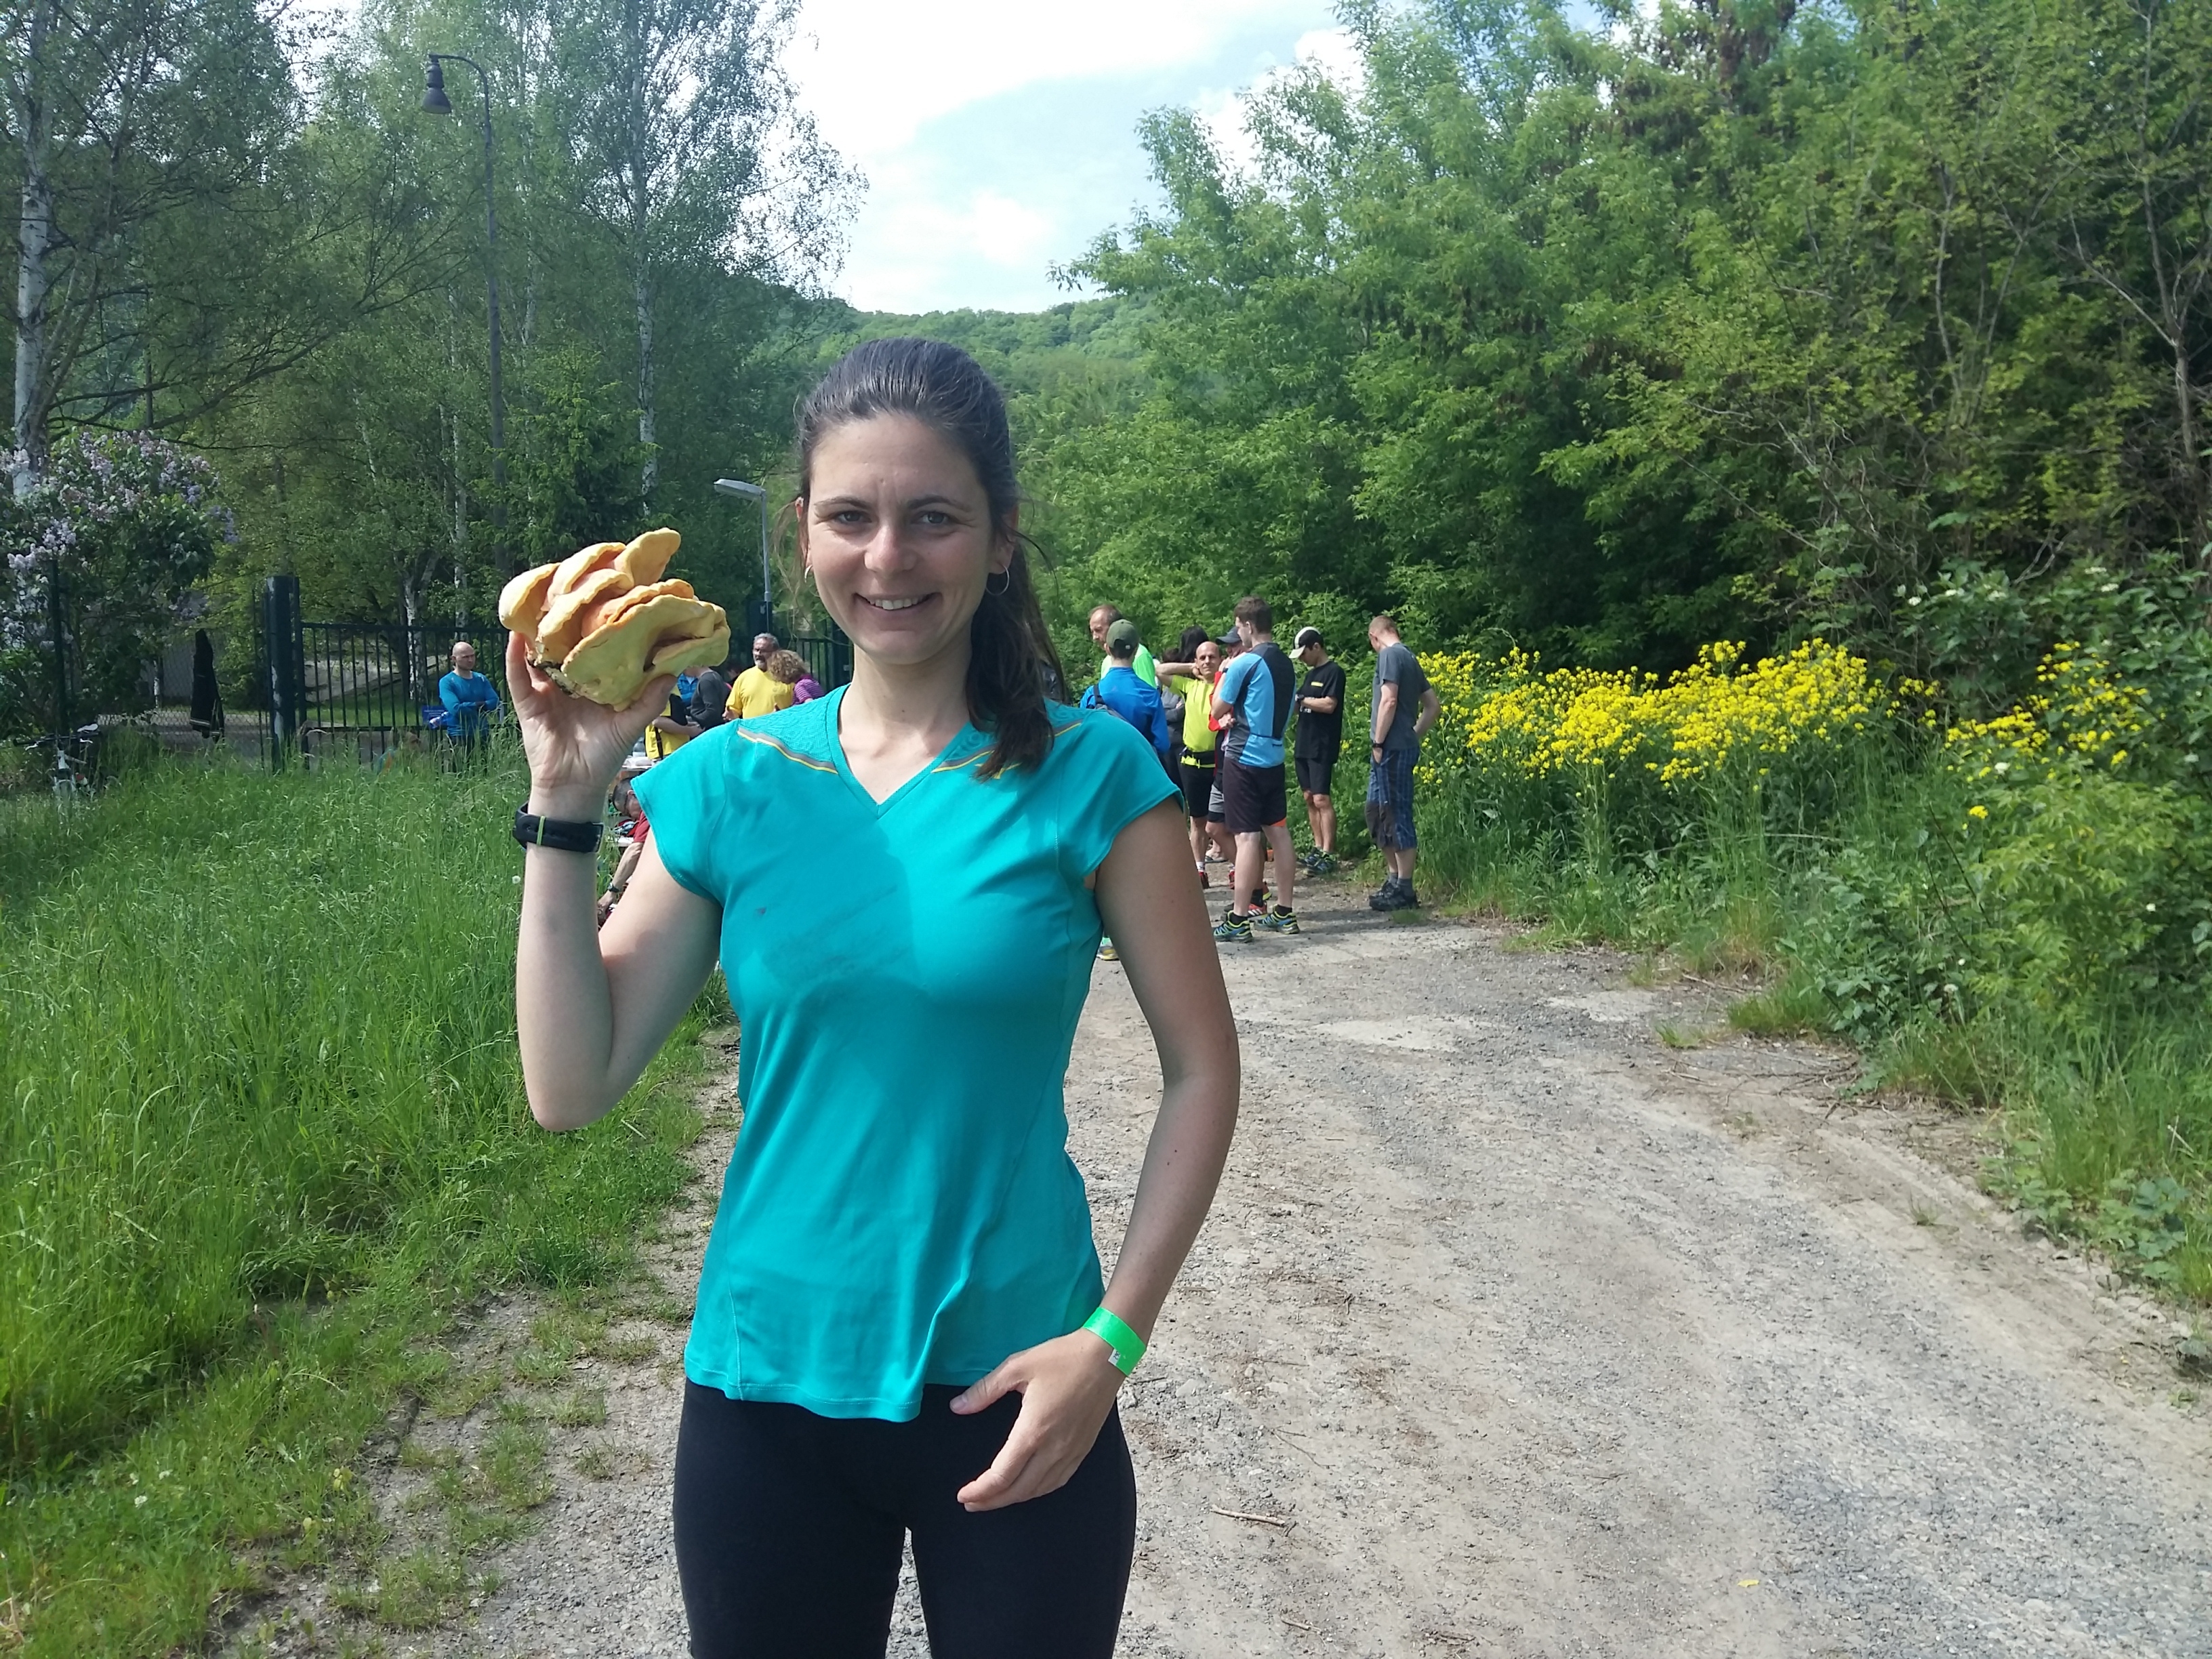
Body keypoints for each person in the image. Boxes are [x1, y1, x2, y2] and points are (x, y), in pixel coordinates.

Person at [507, 336, 1239, 1659]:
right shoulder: (728, 780)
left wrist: (1113, 1340)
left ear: (1000, 539)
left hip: (1023, 1386)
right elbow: (570, 1086)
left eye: (933, 518)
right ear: (804, 533)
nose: (888, 557)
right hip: (769, 1390)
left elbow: (1202, 1068)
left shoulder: (1096, 776)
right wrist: (563, 801)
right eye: (851, 517)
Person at [1209, 597, 1298, 941]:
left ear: (1247, 625)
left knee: (1246, 836)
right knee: (1278, 832)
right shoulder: (1287, 664)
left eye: (1238, 627)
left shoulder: (1244, 662)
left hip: (1244, 757)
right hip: (1275, 754)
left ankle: (1239, 918)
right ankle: (1285, 912)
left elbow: (1218, 708)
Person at [1366, 613, 1441, 911]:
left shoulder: (1390, 656)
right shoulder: (1409, 657)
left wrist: (1379, 742)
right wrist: (1414, 734)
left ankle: (1405, 890)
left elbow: (1389, 700)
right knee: (1376, 811)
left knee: (1396, 814)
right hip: (1399, 746)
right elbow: (1432, 706)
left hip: (1390, 750)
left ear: (1375, 637)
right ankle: (1394, 878)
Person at [1152, 636, 1229, 884]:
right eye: (1202, 657)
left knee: (1227, 821)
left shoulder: (1227, 687)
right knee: (1198, 820)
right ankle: (1199, 869)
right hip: (1193, 763)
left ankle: (1237, 868)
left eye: (1212, 657)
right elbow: (1159, 670)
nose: (1207, 661)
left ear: (1220, 659)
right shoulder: (1189, 686)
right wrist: (1189, 668)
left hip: (1220, 762)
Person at [1290, 626, 1345, 874]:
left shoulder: (1334, 672)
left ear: (1316, 647)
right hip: (1303, 742)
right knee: (1309, 797)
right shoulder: (1308, 675)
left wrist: (1302, 700)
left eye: (1304, 653)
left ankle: (1329, 852)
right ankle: (1317, 847)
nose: (1302, 659)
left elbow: (1329, 704)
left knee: (1322, 799)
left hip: (1322, 744)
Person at [438, 640, 502, 747]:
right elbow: (456, 709)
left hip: (483, 733)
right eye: (465, 657)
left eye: (472, 656)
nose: (470, 660)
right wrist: (482, 706)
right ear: (454, 659)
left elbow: (494, 702)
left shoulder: (481, 679)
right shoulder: (447, 681)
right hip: (459, 735)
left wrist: (469, 706)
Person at [726, 632, 795, 720]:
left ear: (775, 652)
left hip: (779, 731)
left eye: (763, 651)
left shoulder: (787, 676)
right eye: (756, 650)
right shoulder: (744, 677)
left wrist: (783, 717)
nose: (758, 654)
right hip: (750, 733)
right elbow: (734, 709)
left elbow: (801, 709)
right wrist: (731, 714)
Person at [1086, 605, 1157, 689]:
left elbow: (1148, 696)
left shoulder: (1139, 655)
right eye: (1092, 632)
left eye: (1098, 630)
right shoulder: (1107, 661)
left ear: (1115, 627)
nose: (1095, 637)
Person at [691, 659, 733, 730]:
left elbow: (712, 711)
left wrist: (694, 721)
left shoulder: (706, 681)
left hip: (710, 730)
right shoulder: (714, 676)